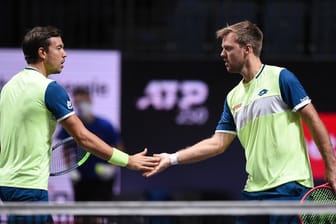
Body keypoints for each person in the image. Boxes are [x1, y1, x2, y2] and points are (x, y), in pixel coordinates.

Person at [144, 20, 336, 224]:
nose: (222, 54)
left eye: (228, 48)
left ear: (247, 49)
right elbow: (217, 143)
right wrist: (172, 158)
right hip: (253, 193)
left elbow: (313, 120)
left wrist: (331, 166)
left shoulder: (281, 78)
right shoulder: (233, 97)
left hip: (288, 188)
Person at [0, 26, 159, 224]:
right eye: (58, 48)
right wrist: (127, 161)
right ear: (42, 53)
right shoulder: (49, 89)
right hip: (27, 187)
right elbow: (82, 137)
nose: (64, 54)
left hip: (7, 183)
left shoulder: (9, 87)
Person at [56, 86, 124, 223]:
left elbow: (119, 147)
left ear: (90, 101)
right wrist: (71, 169)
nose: (81, 106)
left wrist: (112, 168)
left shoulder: (105, 125)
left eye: (83, 102)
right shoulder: (72, 126)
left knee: (97, 216)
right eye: (77, 103)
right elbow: (65, 148)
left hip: (102, 179)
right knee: (80, 217)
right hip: (81, 178)